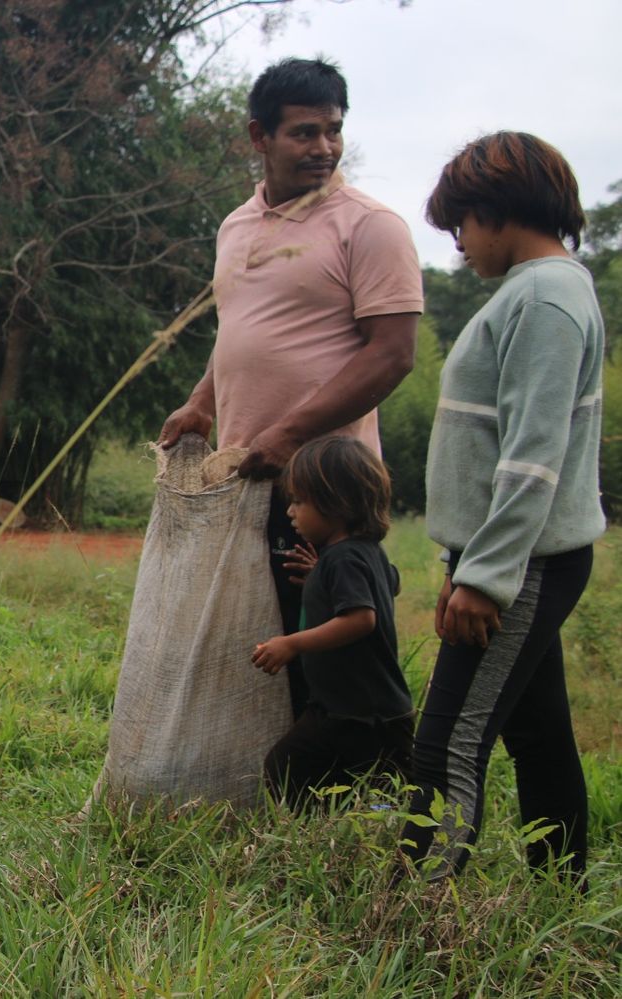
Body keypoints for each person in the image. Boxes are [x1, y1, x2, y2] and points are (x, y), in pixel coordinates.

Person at [157, 57, 423, 717]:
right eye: (304, 133)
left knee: (331, 649)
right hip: (245, 472)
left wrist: (292, 434)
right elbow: (239, 334)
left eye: (333, 131)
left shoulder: (371, 225)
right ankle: (275, 782)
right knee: (254, 637)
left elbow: (393, 354)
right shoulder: (236, 226)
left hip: (325, 485)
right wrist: (201, 403)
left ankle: (357, 783)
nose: (324, 148)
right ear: (259, 137)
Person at [400, 133, 605, 882]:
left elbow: (532, 454)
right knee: (539, 728)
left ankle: (412, 913)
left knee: (448, 741)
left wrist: (484, 577)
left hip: (524, 561)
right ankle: (563, 885)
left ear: (497, 209)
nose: (461, 247)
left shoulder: (548, 297)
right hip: (516, 556)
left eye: (462, 228)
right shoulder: (536, 290)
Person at [250, 437, 413, 809]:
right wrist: (321, 579)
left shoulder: (343, 558)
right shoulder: (362, 552)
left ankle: (380, 850)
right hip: (340, 709)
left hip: (368, 718)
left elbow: (360, 619)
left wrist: (291, 644)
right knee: (289, 767)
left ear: (336, 503)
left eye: (299, 501)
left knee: (386, 801)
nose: (290, 512)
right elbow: (389, 584)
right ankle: (325, 839)